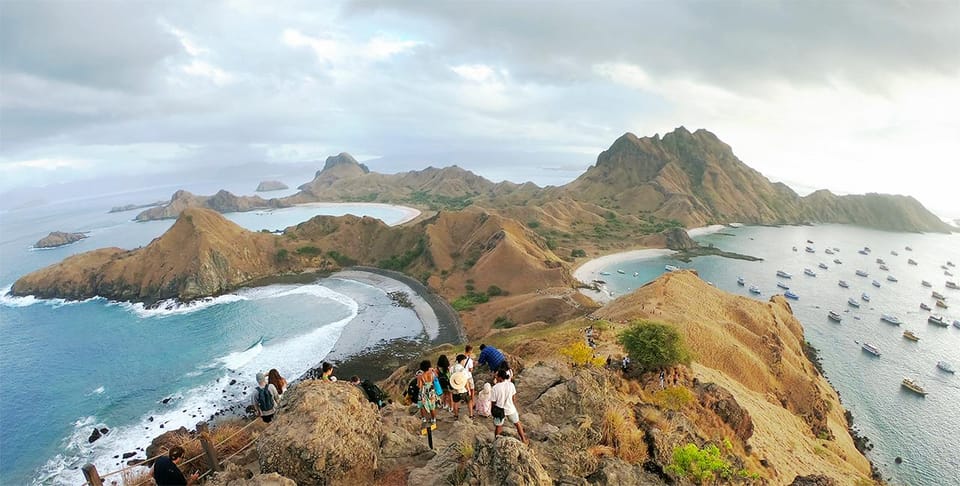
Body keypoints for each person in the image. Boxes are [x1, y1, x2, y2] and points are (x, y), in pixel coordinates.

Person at [489, 369, 528, 444]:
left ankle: (497, 442)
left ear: (500, 377)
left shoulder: (495, 388)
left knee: (498, 426)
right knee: (517, 423)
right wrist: (511, 405)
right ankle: (523, 439)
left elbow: (493, 402)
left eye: (496, 376)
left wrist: (492, 410)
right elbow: (513, 398)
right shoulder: (511, 385)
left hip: (499, 409)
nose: (495, 377)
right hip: (510, 408)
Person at [416, 360, 439, 433]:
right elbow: (436, 377)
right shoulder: (432, 373)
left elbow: (419, 386)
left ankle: (424, 419)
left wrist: (418, 379)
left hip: (423, 391)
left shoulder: (421, 376)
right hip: (431, 390)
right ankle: (433, 419)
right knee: (432, 406)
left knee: (422, 405)